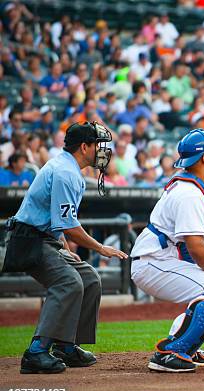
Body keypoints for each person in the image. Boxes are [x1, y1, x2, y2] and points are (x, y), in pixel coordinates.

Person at [2, 122, 128, 374]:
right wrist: (100, 247)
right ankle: (36, 352)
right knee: (69, 283)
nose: (101, 151)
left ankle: (66, 346)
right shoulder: (65, 172)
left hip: (44, 238)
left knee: (89, 278)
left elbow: (59, 220)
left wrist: (63, 246)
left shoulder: (67, 168)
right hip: (28, 240)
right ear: (84, 147)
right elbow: (68, 225)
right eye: (96, 145)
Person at [130, 129, 204, 373]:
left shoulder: (196, 187)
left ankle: (185, 346)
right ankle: (171, 353)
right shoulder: (189, 193)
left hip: (162, 260)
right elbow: (197, 248)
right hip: (153, 262)